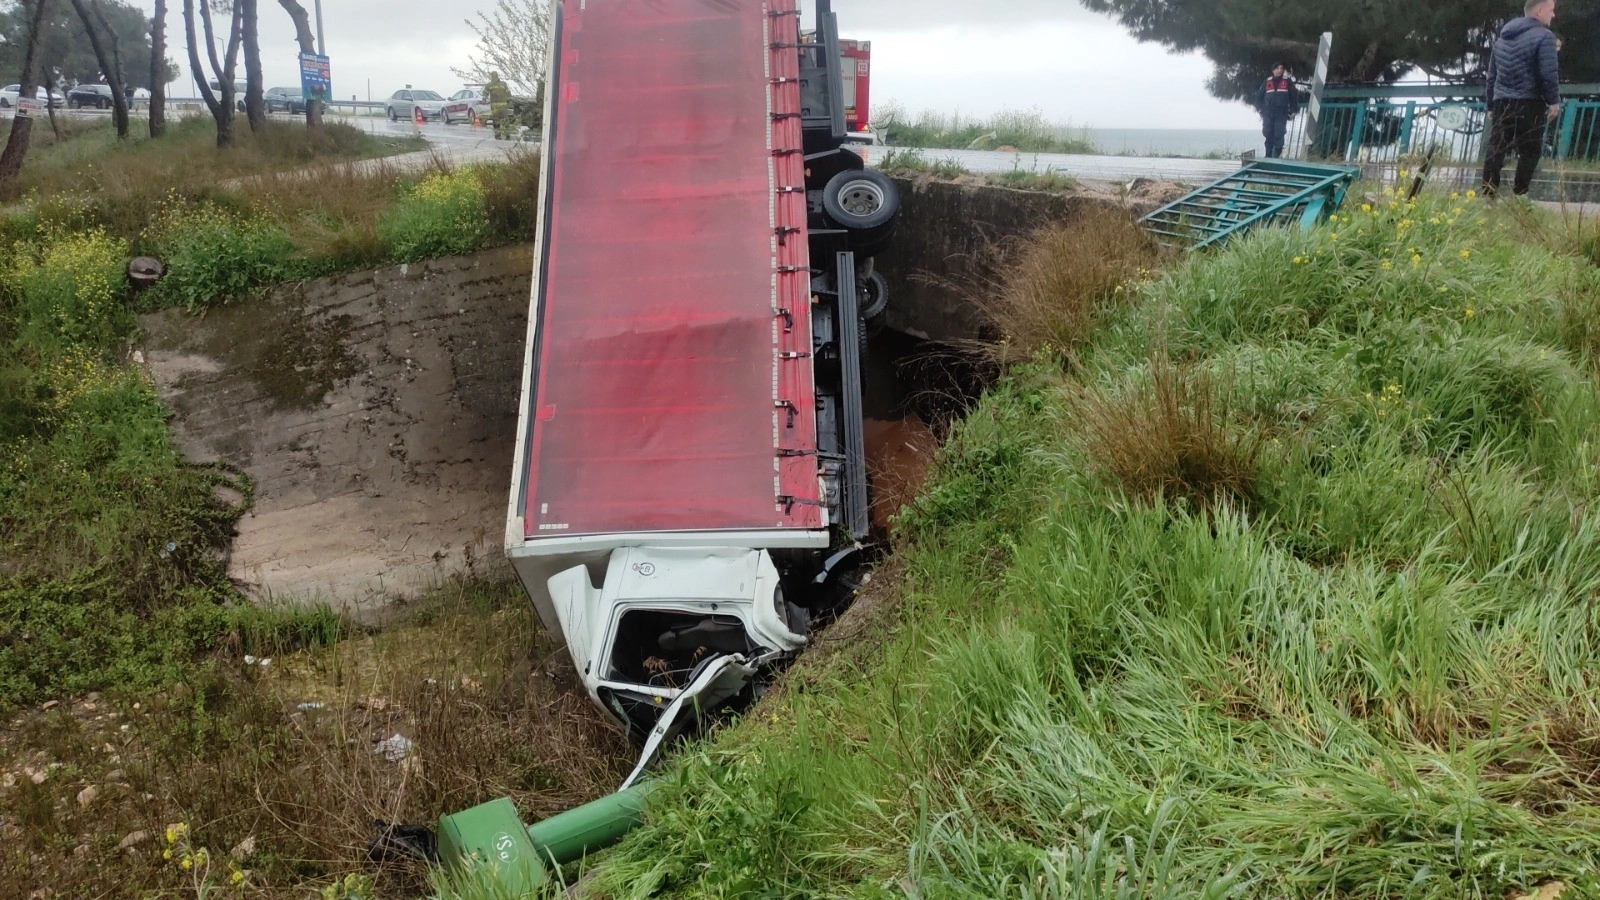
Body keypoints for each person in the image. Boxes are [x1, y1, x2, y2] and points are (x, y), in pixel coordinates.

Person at [1482, 0, 1561, 198]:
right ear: (1540, 11)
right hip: (1529, 102)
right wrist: (1553, 101)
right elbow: (1548, 73)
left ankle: (1488, 194)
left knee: (1496, 149)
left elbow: (1491, 76)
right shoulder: (1545, 36)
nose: (1553, 15)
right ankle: (1520, 194)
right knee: (1530, 151)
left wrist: (1491, 105)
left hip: (1501, 101)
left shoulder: (1501, 39)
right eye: (1551, 10)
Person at [1253, 63, 1299, 159]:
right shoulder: (1267, 82)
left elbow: (1293, 97)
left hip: (1281, 113)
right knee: (1268, 133)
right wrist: (1260, 110)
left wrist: (1293, 111)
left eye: (1281, 68)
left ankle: (1276, 157)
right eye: (1277, 68)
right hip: (1268, 113)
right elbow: (1259, 97)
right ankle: (1268, 156)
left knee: (1279, 134)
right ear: (1273, 70)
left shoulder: (1287, 82)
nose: (1279, 70)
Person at [484, 71, 511, 140]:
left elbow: (508, 92)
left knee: (505, 120)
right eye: (493, 76)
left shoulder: (503, 84)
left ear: (497, 76)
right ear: (491, 77)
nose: (494, 77)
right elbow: (485, 92)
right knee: (496, 121)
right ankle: (498, 135)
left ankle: (507, 134)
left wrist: (509, 99)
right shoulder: (489, 85)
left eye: (495, 75)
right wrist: (484, 98)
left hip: (503, 105)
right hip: (494, 106)